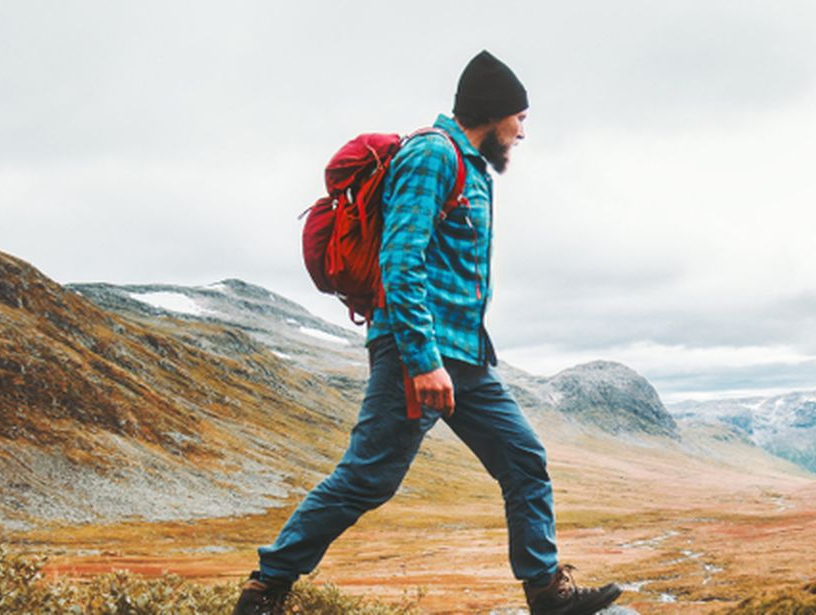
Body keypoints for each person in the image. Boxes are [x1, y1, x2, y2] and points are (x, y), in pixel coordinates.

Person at [234, 50, 622, 615]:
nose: (522, 131)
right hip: (418, 352)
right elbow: (399, 260)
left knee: (523, 458)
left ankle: (545, 591)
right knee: (368, 478)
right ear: (493, 113)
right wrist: (421, 360)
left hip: (465, 356)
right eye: (520, 117)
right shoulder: (432, 156)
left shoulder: (473, 169)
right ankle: (266, 585)